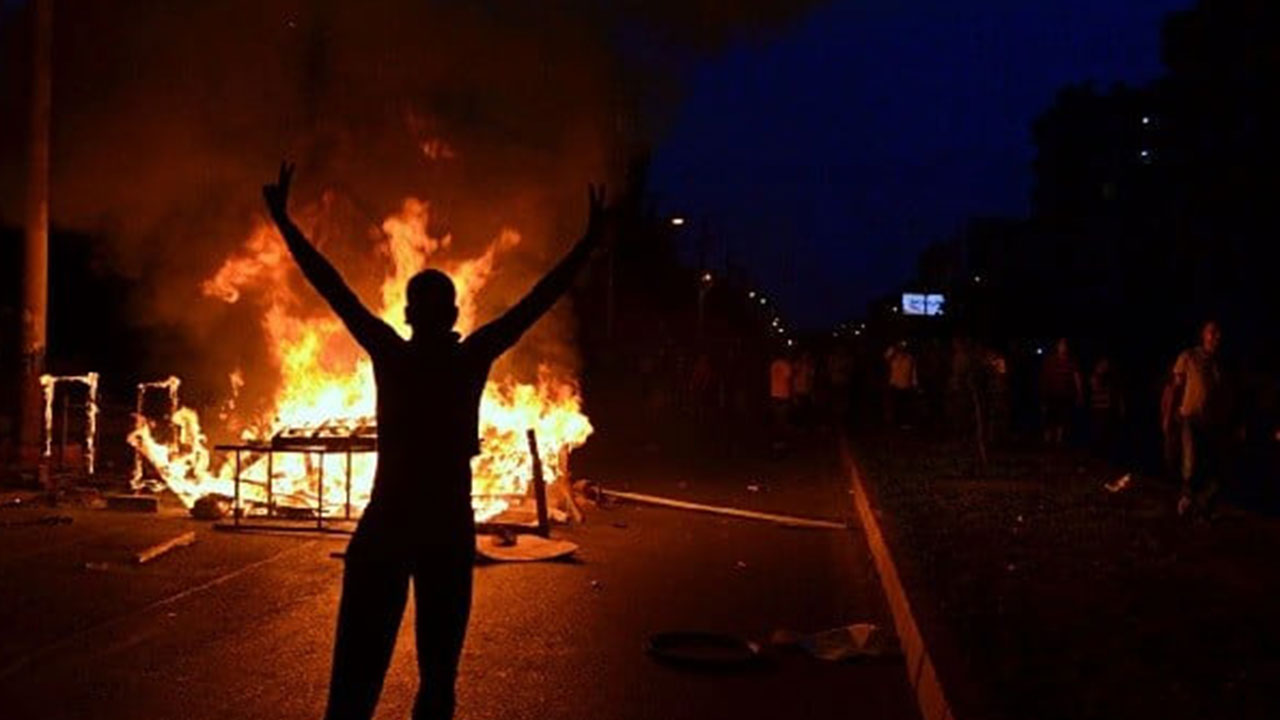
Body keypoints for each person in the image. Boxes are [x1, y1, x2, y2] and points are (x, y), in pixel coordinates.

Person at [263, 162, 607, 720]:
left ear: (407, 314)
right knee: (438, 678)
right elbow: (538, 299)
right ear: (452, 314)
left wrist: (283, 222)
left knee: (354, 676)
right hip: (446, 527)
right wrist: (588, 242)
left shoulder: (390, 352)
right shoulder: (471, 356)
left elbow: (332, 288)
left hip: (387, 524)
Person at [1165, 321, 1228, 519]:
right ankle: (1185, 500)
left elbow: (1223, 395)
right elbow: (1175, 388)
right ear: (1203, 335)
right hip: (1189, 417)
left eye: (1218, 333)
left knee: (1210, 465)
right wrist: (1168, 414)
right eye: (1212, 332)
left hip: (1211, 421)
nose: (1216, 336)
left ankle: (1200, 504)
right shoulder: (1189, 356)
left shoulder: (1218, 363)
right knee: (1190, 460)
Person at [1039, 338, 1082, 446]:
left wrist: (1079, 393)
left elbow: (1076, 377)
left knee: (1062, 417)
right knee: (1049, 418)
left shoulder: (1071, 361)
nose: (1063, 347)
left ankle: (1059, 440)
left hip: (1065, 394)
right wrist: (1043, 394)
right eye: (1061, 345)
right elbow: (1045, 378)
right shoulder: (1050, 360)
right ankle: (1047, 441)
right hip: (1051, 394)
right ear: (1057, 347)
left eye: (1065, 345)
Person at [884, 340, 918, 428]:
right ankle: (894, 423)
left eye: (903, 346)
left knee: (904, 406)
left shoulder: (910, 358)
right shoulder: (893, 357)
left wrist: (914, 383)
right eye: (900, 346)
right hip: (894, 385)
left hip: (906, 385)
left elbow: (913, 372)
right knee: (895, 405)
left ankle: (904, 423)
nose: (902, 348)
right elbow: (886, 356)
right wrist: (893, 348)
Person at [769, 353, 794, 440]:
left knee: (776, 418)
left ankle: (776, 439)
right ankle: (781, 439)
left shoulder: (773, 364)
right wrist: (791, 393)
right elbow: (789, 379)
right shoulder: (786, 365)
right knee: (783, 419)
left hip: (774, 394)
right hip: (783, 395)